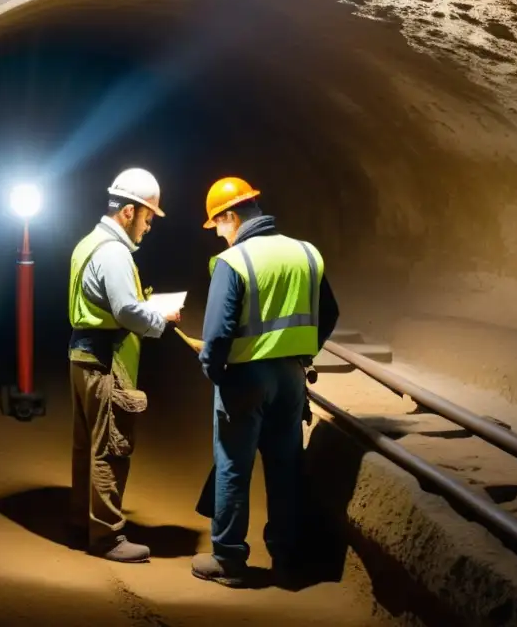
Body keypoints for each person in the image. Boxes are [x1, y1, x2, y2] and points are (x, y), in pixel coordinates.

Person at [190, 176, 339, 587]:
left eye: (218, 226)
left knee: (233, 466)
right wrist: (302, 354)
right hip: (291, 378)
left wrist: (215, 372)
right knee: (285, 467)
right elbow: (330, 314)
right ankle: (287, 558)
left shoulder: (234, 262)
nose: (219, 236)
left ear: (231, 216)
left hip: (244, 378)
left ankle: (230, 559)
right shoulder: (307, 254)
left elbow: (218, 334)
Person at [67, 167, 182, 563]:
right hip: (104, 363)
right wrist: (160, 318)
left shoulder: (89, 243)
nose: (149, 226)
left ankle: (83, 522)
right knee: (109, 449)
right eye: (149, 216)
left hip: (82, 356)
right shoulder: (114, 252)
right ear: (129, 212)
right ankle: (108, 537)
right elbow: (126, 310)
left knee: (86, 446)